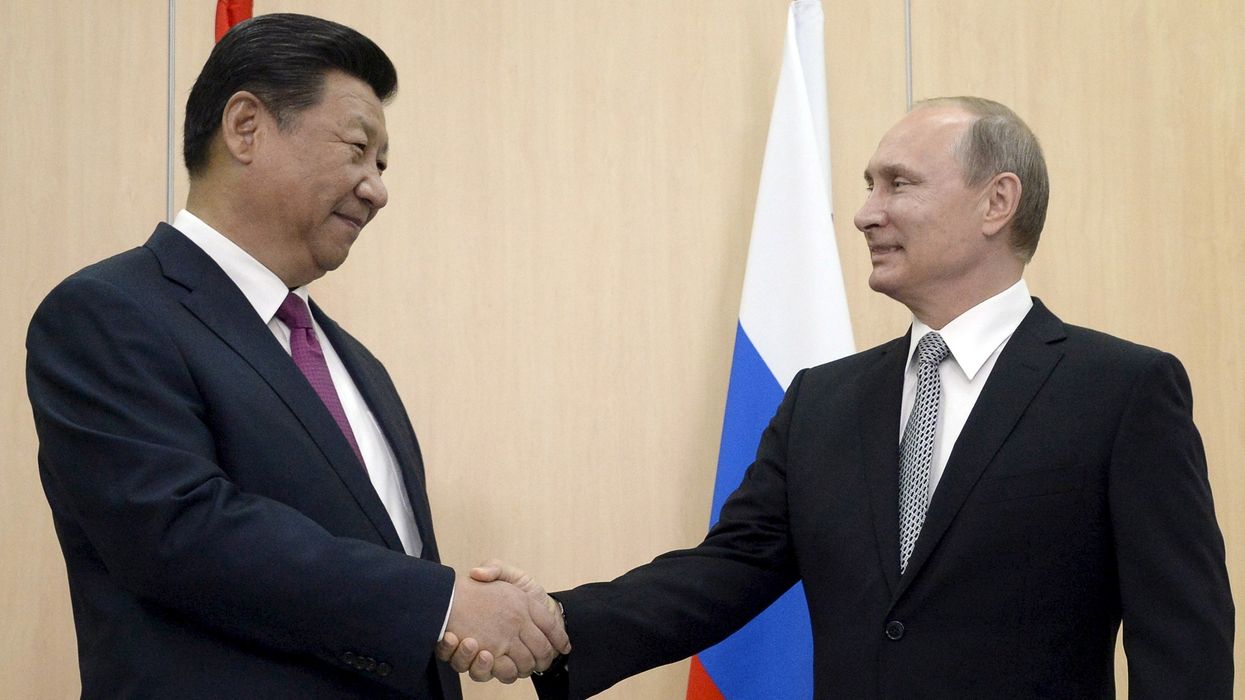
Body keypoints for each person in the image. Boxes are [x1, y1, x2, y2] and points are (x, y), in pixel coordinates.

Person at [440, 97, 1234, 698]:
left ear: (997, 202)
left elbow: (1182, 640)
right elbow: (725, 572)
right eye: (865, 185)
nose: (863, 213)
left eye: (897, 184)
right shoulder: (823, 401)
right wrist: (553, 625)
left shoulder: (1121, 390)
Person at [26, 13, 567, 699]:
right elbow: (179, 532)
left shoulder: (357, 365)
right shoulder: (108, 312)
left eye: (382, 164)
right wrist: (443, 603)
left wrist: (463, 605)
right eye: (357, 149)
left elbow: (371, 578)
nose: (377, 188)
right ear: (247, 127)